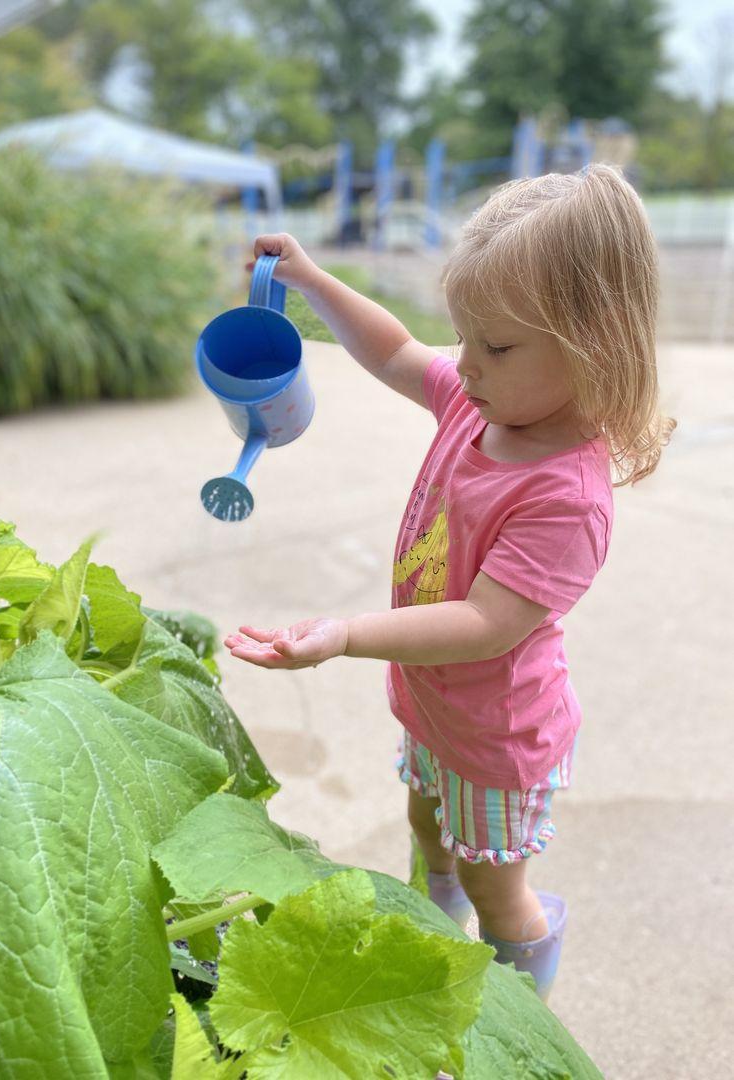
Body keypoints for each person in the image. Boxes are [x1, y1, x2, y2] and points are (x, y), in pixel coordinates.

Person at [223, 164, 675, 1002]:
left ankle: (513, 1024)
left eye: (495, 346)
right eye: (465, 336)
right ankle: (433, 955)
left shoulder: (565, 496)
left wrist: (347, 635)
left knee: (497, 888)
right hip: (436, 709)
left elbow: (485, 622)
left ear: (597, 341)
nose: (465, 365)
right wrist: (313, 279)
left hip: (499, 740)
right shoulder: (486, 404)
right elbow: (395, 349)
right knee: (427, 827)